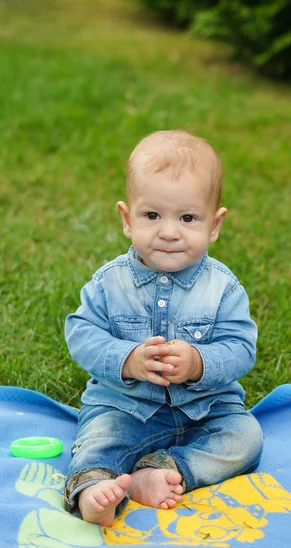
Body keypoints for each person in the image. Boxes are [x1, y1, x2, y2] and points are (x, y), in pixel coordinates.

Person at [64, 130, 264, 526]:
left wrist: (199, 363)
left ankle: (164, 468)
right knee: (100, 437)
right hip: (125, 405)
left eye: (188, 218)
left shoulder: (223, 288)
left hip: (205, 410)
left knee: (246, 438)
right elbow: (81, 332)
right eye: (152, 215)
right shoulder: (109, 282)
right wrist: (127, 360)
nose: (169, 231)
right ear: (127, 218)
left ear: (215, 224)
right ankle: (93, 490)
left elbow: (241, 346)